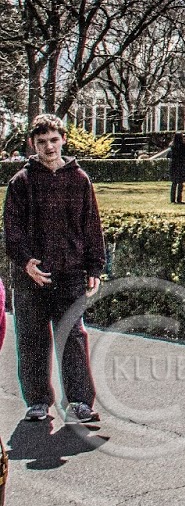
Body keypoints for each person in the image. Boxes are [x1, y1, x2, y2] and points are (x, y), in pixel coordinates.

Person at [4, 114, 106, 425]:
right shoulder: (21, 182)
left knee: (73, 337)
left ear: (63, 139)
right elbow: (12, 230)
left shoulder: (79, 179)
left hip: (70, 273)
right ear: (32, 145)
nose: (49, 147)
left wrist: (95, 267)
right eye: (41, 142)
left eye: (53, 140)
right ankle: (37, 401)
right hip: (32, 278)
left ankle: (79, 401)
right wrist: (25, 262)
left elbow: (92, 225)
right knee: (32, 339)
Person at [167, 132, 185, 204]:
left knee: (174, 183)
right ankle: (179, 199)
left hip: (173, 165)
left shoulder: (172, 145)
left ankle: (172, 200)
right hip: (182, 165)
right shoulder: (183, 146)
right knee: (180, 183)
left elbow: (168, 155)